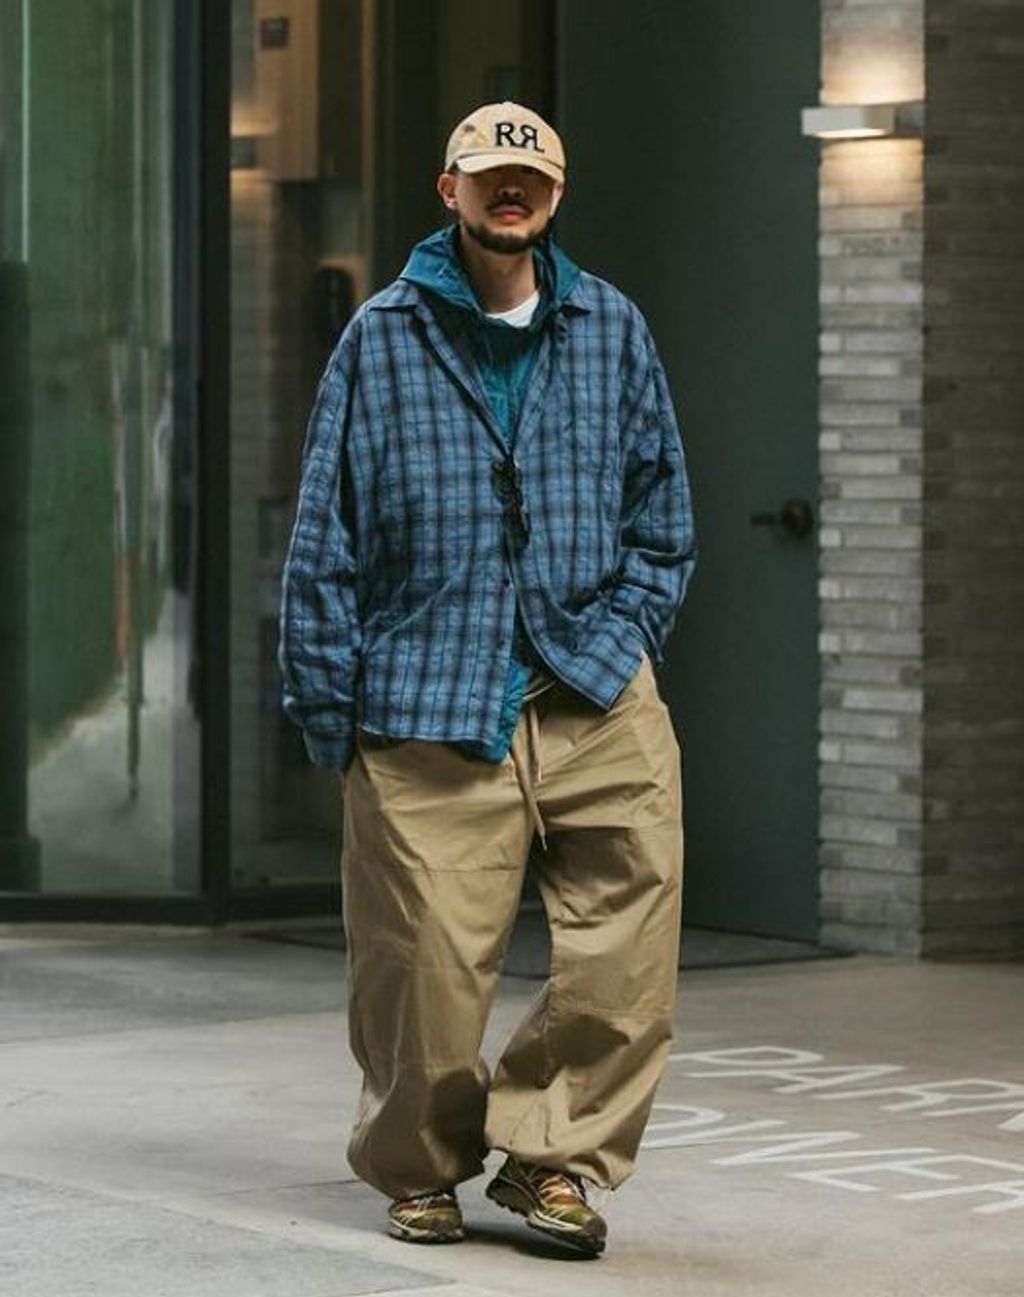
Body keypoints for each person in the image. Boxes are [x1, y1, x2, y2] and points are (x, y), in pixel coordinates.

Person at [278, 101, 696, 1258]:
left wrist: (628, 634)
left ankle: (553, 1160)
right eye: (489, 176)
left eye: (532, 179)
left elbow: (662, 510)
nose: (511, 192)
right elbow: (323, 536)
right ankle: (420, 1167)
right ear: (448, 188)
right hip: (426, 693)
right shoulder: (381, 335)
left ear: (555, 195)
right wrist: (331, 711)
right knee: (420, 967)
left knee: (629, 952)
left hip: (593, 685)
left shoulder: (611, 325)